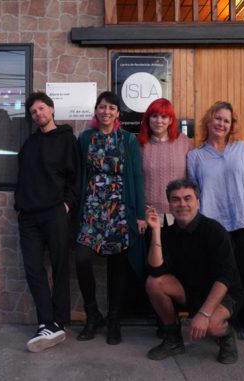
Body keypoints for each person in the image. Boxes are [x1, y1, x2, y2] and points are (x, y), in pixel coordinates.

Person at [187, 101, 244, 341]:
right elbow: (195, 192)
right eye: (218, 118)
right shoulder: (195, 156)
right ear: (209, 120)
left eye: (226, 120)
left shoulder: (242, 149)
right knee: (220, 274)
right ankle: (222, 320)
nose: (221, 124)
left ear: (231, 125)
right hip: (214, 226)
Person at [145, 179, 243, 364]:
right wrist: (156, 231)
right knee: (153, 282)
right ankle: (173, 339)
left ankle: (226, 334)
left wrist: (204, 314)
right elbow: (156, 270)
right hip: (190, 291)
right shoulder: (169, 233)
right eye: (176, 199)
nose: (182, 204)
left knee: (212, 326)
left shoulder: (214, 231)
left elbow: (225, 278)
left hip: (223, 294)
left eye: (187, 198)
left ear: (198, 202)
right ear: (170, 204)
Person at [75, 91, 146, 345]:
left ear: (118, 113)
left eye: (112, 108)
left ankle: (114, 319)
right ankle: (93, 315)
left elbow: (137, 177)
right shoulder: (85, 138)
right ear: (96, 111)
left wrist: (138, 214)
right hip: (92, 209)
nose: (106, 112)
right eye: (102, 107)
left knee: (118, 265)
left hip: (120, 209)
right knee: (82, 258)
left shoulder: (127, 140)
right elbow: (79, 173)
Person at [14, 92, 80, 352]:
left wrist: (66, 205)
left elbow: (75, 177)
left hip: (55, 212)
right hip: (28, 216)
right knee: (34, 270)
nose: (38, 114)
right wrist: (20, 206)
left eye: (41, 108)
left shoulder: (67, 139)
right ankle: (46, 322)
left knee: (60, 266)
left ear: (51, 110)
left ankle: (59, 322)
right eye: (33, 112)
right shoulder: (29, 144)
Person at [138, 98, 194, 226]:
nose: (159, 121)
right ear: (148, 119)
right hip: (150, 215)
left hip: (180, 212)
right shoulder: (138, 145)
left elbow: (192, 177)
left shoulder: (184, 142)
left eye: (164, 117)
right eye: (154, 116)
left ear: (170, 120)